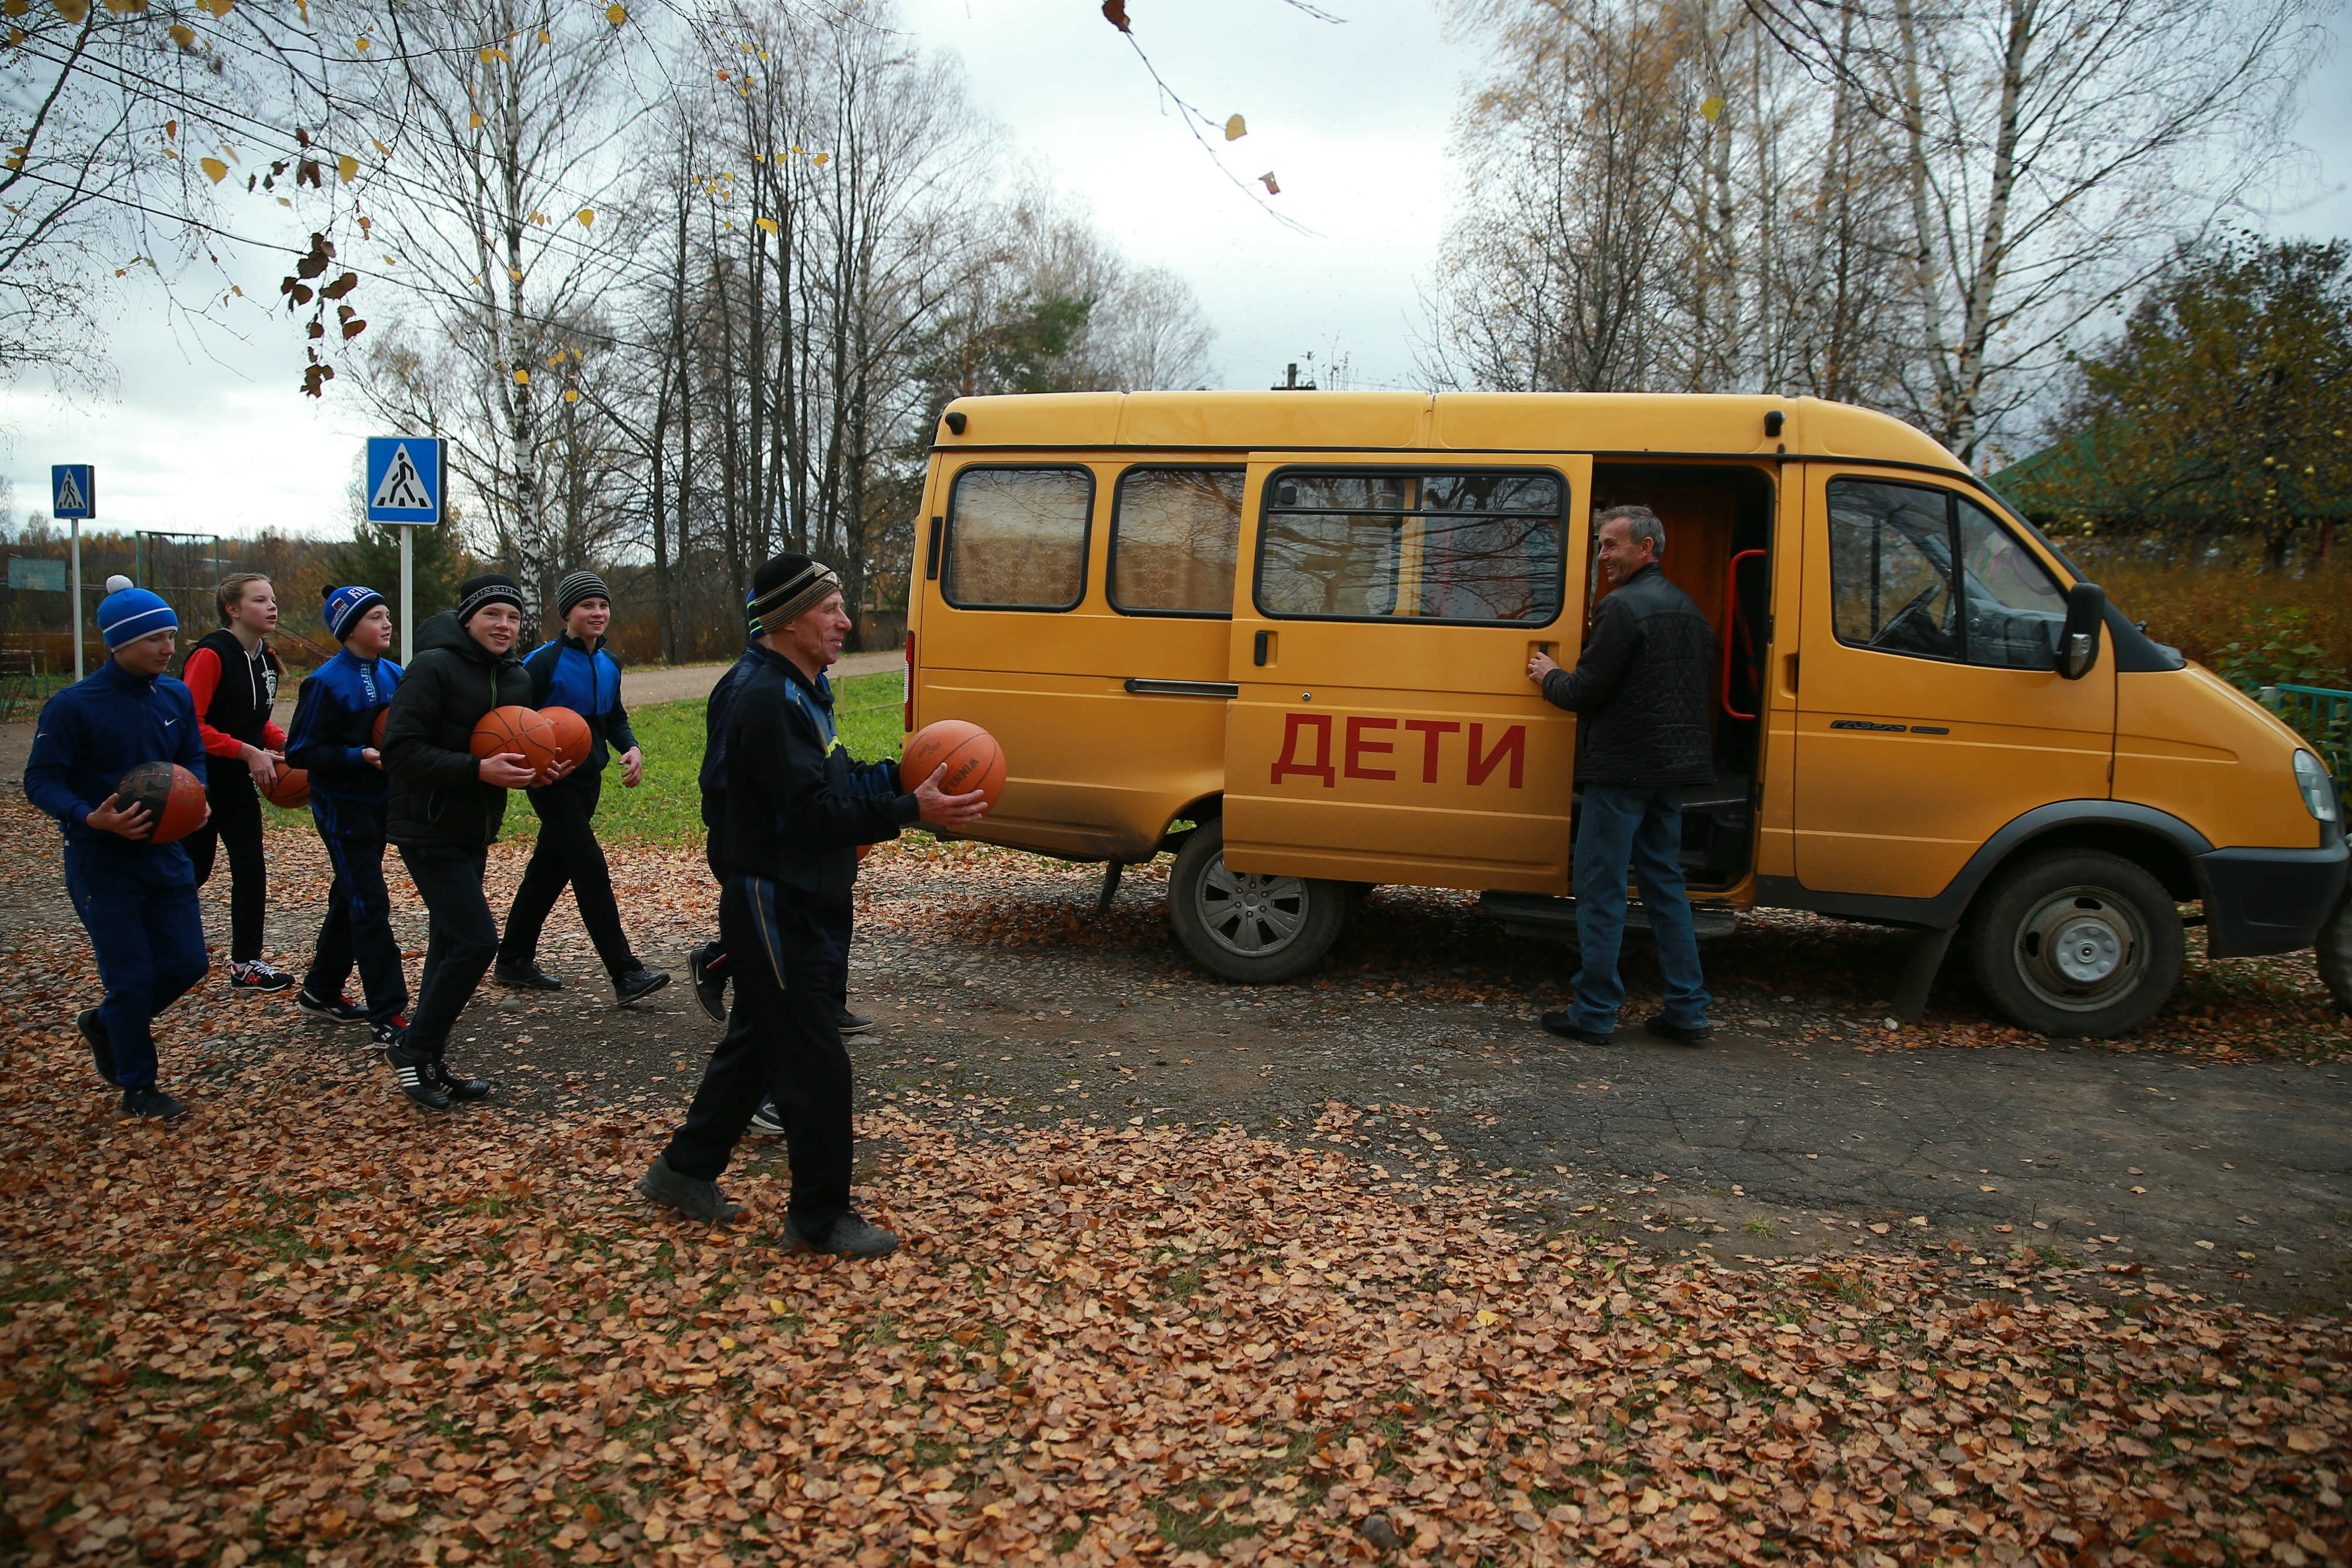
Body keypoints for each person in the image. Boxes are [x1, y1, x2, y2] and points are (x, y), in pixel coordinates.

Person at [638, 554, 987, 1255]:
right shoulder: (762, 697)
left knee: (760, 1045)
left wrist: (902, 775)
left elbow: (831, 776)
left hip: (806, 892)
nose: (845, 622)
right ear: (791, 617)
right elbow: (805, 815)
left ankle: (682, 1170)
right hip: (774, 900)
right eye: (831, 609)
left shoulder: (802, 688)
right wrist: (906, 809)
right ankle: (819, 1219)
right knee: (815, 1058)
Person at [22, 577, 213, 1120]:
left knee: (187, 963)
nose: (168, 647)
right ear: (120, 642)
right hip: (101, 859)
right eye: (155, 637)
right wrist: (91, 816)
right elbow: (41, 780)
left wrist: (197, 799)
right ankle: (139, 1085)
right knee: (129, 978)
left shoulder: (174, 695)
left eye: (172, 635)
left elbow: (191, 759)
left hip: (165, 853)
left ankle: (105, 1024)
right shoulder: (73, 706)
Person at [381, 573, 572, 1111]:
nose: (504, 626)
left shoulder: (514, 678)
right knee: (476, 942)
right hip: (427, 826)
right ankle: (414, 1048)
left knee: (449, 942)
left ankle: (430, 1060)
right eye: (493, 615)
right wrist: (476, 768)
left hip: (473, 828)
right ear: (468, 618)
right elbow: (400, 750)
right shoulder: (432, 666)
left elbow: (509, 749)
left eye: (513, 617)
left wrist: (534, 770)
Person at [1527, 504, 1716, 1047]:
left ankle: (1594, 1011)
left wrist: (1549, 674)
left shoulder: (1621, 608)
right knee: (1665, 888)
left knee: (1601, 888)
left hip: (1622, 771)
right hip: (1669, 773)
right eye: (1601, 544)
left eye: (1612, 545)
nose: (1603, 555)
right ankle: (1687, 1009)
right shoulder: (1690, 609)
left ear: (1646, 548)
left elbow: (1584, 691)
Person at [687, 616, 880, 1044]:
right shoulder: (752, 689)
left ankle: (822, 1007)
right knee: (778, 960)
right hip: (761, 848)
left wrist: (876, 791)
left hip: (811, 842)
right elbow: (722, 776)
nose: (844, 623)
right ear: (783, 624)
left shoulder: (810, 684)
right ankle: (729, 979)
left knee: (821, 925)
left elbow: (826, 763)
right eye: (828, 610)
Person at [493, 570, 669, 1005]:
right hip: (552, 782)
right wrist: (533, 767)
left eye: (603, 605)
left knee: (549, 867)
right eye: (587, 605)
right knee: (588, 864)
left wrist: (631, 747)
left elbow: (614, 717)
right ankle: (625, 973)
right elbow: (510, 723)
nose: (597, 612)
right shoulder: (541, 662)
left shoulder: (611, 663)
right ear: (568, 612)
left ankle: (513, 959)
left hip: (589, 781)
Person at [284, 583, 409, 1043]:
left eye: (387, 614)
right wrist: (359, 756)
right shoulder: (325, 682)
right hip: (342, 808)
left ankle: (321, 989)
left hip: (381, 803)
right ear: (349, 627)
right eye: (376, 616)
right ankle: (389, 1013)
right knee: (370, 903)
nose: (387, 623)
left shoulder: (396, 673)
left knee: (351, 893)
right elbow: (299, 751)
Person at [181, 571, 296, 992]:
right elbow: (192, 726)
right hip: (198, 779)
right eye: (260, 600)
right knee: (193, 869)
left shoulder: (266, 657)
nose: (272, 606)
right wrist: (247, 752)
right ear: (233, 609)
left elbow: (257, 723)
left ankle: (246, 963)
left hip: (236, 781)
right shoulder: (211, 654)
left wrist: (287, 746)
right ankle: (160, 945)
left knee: (250, 867)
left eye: (273, 599)